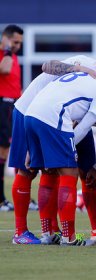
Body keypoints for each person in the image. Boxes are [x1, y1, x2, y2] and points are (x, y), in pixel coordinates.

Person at [9, 43, 96, 244]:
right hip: (30, 109)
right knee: (33, 171)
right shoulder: (84, 64)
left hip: (57, 116)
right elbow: (46, 66)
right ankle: (25, 232)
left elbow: (92, 118)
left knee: (81, 170)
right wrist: (78, 68)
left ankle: (65, 231)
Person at [0, 25, 23, 211]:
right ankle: (0, 200)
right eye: (15, 42)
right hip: (3, 105)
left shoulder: (13, 56)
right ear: (6, 39)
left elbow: (15, 84)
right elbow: (4, 70)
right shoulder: (6, 56)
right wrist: (6, 49)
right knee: (3, 152)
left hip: (13, 105)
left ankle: (22, 197)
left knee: (13, 151)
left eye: (20, 43)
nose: (18, 46)